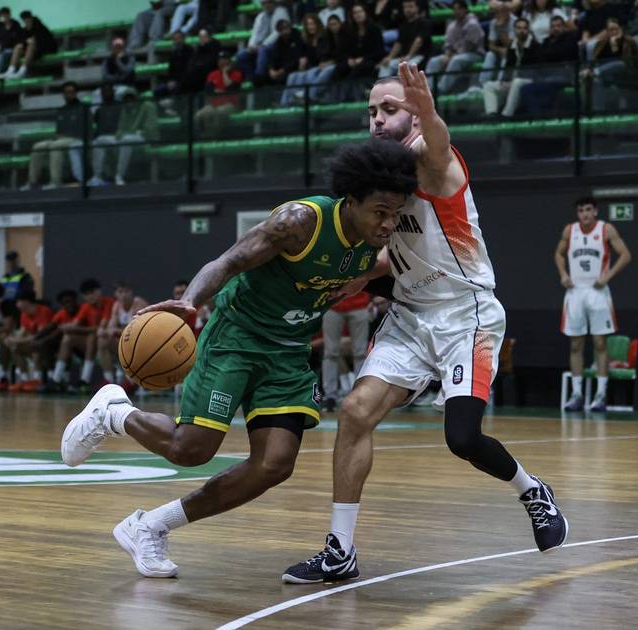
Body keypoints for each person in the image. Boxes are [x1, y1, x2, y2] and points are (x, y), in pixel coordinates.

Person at [59, 140, 418, 579]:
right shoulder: (300, 222)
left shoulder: (379, 241)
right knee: (190, 450)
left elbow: (383, 262)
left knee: (274, 465)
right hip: (238, 336)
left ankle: (149, 526)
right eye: (380, 212)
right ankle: (114, 413)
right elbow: (228, 262)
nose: (388, 223)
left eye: (396, 214)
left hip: (287, 351)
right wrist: (189, 302)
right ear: (351, 201)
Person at [283, 64, 569, 585]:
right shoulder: (382, 180)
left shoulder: (434, 163)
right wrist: (358, 277)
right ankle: (340, 550)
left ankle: (533, 491)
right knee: (353, 412)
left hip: (467, 315)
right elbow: (404, 253)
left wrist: (430, 113)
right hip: (411, 316)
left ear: (413, 113)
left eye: (389, 109)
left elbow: (437, 142)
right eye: (370, 111)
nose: (376, 119)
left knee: (461, 438)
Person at [555, 196, 631, 412]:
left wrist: (607, 276)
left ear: (595, 211)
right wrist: (563, 274)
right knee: (576, 344)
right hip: (575, 291)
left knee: (600, 343)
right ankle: (577, 394)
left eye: (588, 209)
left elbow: (625, 255)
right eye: (581, 210)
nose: (585, 214)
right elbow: (558, 254)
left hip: (597, 292)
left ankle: (600, 394)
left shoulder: (606, 229)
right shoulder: (570, 231)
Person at [50, 278, 116, 392]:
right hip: (89, 347)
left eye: (92, 292)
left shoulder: (109, 303)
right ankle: (56, 379)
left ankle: (86, 379)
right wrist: (67, 328)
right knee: (67, 339)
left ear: (99, 291)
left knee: (92, 336)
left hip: (106, 342)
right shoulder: (85, 307)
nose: (90, 296)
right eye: (86, 294)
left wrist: (75, 328)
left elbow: (101, 328)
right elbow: (74, 324)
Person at [90, 87, 159, 185]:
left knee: (126, 139)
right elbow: (121, 128)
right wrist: (119, 135)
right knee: (99, 141)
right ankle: (97, 176)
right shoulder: (125, 109)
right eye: (127, 99)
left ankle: (119, 176)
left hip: (146, 138)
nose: (129, 101)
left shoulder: (148, 106)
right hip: (128, 137)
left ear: (136, 97)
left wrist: (136, 133)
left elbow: (151, 128)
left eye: (131, 98)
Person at [23, 81, 83, 190]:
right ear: (63, 94)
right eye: (66, 92)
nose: (69, 94)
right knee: (37, 146)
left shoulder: (83, 108)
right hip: (60, 138)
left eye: (71, 92)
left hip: (76, 139)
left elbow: (85, 129)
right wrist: (57, 136)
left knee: (55, 146)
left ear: (76, 93)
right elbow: (58, 130)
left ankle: (56, 182)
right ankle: (32, 182)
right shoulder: (61, 110)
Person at [320, 290, 371, 412]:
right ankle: (330, 396)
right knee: (330, 352)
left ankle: (361, 393)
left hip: (360, 303)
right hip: (332, 304)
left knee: (360, 352)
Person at [482, 17, 541, 117]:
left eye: (524, 28)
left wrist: (513, 80)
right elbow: (508, 66)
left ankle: (506, 114)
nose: (521, 31)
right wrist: (505, 80)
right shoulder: (512, 47)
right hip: (512, 81)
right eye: (519, 28)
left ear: (528, 30)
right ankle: (492, 113)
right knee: (488, 85)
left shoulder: (535, 46)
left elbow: (536, 69)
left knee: (517, 82)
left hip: (530, 80)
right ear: (514, 29)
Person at [425, 1, 485, 94]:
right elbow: (449, 45)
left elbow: (469, 47)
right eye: (455, 9)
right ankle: (429, 88)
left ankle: (441, 89)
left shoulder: (472, 24)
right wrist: (447, 55)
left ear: (465, 9)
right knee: (434, 61)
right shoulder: (452, 25)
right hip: (455, 54)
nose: (457, 12)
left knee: (456, 60)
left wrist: (451, 56)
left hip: (474, 54)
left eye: (459, 9)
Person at [96, 281, 149, 388]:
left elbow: (137, 330)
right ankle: (109, 379)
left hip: (143, 344)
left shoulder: (138, 303)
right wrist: (103, 331)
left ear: (131, 292)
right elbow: (111, 327)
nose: (123, 295)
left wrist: (116, 331)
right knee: (102, 341)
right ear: (116, 294)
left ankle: (131, 380)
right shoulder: (117, 305)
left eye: (126, 291)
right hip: (126, 341)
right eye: (120, 292)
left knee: (131, 343)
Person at [6, 289, 54, 392]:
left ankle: (38, 380)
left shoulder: (43, 311)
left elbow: (39, 336)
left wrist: (16, 340)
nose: (17, 305)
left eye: (18, 302)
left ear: (26, 301)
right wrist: (12, 340)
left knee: (36, 345)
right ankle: (25, 379)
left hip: (49, 346)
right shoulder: (24, 315)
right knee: (15, 347)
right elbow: (22, 334)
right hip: (33, 344)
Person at [377, 0, 432, 79]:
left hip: (419, 56)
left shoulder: (424, 23)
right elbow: (398, 43)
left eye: (410, 6)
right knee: (386, 65)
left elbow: (418, 41)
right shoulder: (403, 25)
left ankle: (401, 90)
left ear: (417, 8)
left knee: (403, 68)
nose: (407, 9)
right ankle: (382, 89)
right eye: (405, 7)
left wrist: (409, 55)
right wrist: (389, 57)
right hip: (405, 57)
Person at [195, 50, 245, 135]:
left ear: (229, 62)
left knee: (219, 112)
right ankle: (200, 138)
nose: (222, 62)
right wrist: (218, 91)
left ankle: (213, 137)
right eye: (220, 60)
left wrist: (225, 73)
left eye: (225, 59)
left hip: (231, 105)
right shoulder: (212, 74)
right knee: (199, 115)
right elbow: (208, 90)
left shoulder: (237, 74)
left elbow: (230, 88)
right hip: (213, 105)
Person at [0, 10, 58, 79]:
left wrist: (33, 41)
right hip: (32, 51)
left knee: (31, 43)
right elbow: (20, 40)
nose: (26, 21)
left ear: (31, 18)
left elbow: (45, 41)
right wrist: (24, 43)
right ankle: (10, 70)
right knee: (18, 47)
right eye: (24, 20)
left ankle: (22, 71)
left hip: (45, 49)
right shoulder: (25, 30)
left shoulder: (40, 27)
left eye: (27, 19)